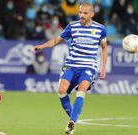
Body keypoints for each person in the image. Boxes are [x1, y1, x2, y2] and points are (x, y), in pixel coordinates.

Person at [33, 2, 107, 135]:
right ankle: (72, 120)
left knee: (82, 88)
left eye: (85, 13)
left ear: (92, 14)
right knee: (61, 91)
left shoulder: (100, 29)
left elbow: (104, 47)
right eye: (80, 12)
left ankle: (72, 122)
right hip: (72, 64)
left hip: (88, 66)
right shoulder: (72, 26)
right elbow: (56, 40)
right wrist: (42, 46)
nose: (82, 15)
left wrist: (103, 68)